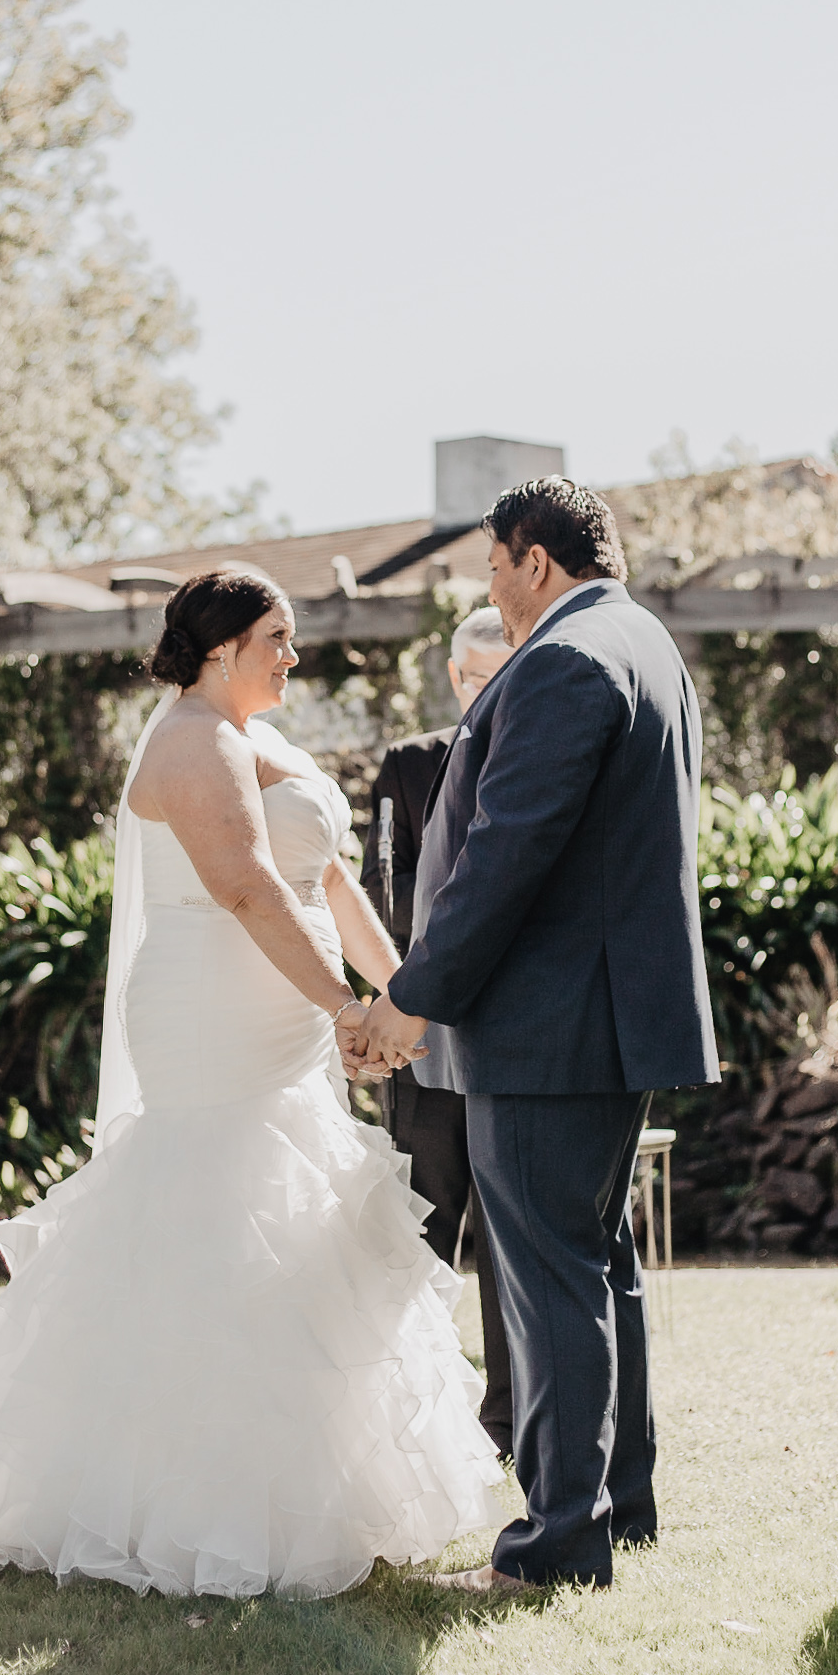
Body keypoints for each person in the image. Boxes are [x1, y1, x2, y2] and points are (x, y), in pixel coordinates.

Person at [0, 569, 503, 1598]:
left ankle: (314, 1490)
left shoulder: (260, 734)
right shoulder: (190, 740)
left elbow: (327, 878)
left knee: (298, 1237)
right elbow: (248, 885)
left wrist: (401, 992)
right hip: (215, 1014)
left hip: (285, 1012)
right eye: (278, 638)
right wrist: (342, 1008)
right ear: (220, 646)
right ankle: (182, 1500)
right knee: (214, 1228)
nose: (293, 657)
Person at [348, 478, 719, 1596]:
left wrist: (409, 997)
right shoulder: (641, 640)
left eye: (492, 567)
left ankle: (558, 1545)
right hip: (604, 1019)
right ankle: (622, 1503)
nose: (488, 589)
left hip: (549, 1026)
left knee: (550, 1276)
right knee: (598, 1262)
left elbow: (503, 859)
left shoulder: (561, 659)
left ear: (534, 561)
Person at [361, 606, 515, 1459]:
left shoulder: (541, 752)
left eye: (507, 671)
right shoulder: (412, 764)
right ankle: (406, 1417)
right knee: (421, 1228)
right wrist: (402, 1004)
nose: (492, 691)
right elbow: (389, 889)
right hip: (422, 1041)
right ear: (456, 677)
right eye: (480, 677)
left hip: (512, 1041)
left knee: (508, 1243)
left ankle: (503, 1423)